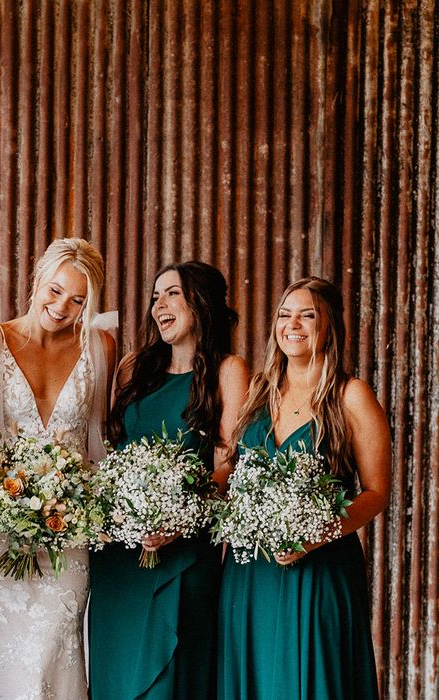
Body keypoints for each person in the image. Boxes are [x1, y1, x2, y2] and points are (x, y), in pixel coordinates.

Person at [218, 276, 390, 700]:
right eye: (284, 314)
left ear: (329, 326)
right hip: (251, 573)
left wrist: (315, 535)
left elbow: (376, 492)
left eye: (307, 315)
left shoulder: (351, 396)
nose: (292, 324)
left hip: (318, 570)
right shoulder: (259, 391)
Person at [89, 261, 249, 699]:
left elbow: (229, 464)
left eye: (173, 293)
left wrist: (181, 516)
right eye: (156, 296)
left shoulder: (228, 370)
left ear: (201, 302)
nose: (160, 304)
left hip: (183, 556)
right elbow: (111, 454)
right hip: (118, 560)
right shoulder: (132, 367)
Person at [0, 237, 116, 700]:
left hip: (70, 531)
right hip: (2, 529)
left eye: (77, 300)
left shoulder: (100, 345)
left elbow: (99, 441)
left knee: (57, 649)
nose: (62, 307)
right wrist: (6, 500)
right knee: (5, 660)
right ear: (36, 282)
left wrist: (88, 505)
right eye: (55, 291)